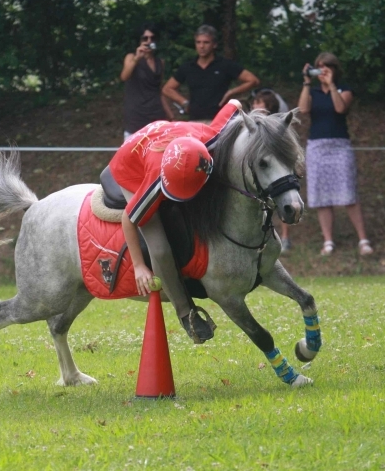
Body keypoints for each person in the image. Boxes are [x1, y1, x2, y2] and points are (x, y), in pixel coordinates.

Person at [108, 100, 242, 343]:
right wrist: (139, 266)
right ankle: (185, 312)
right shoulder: (153, 181)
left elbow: (234, 104)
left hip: (168, 136)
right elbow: (129, 218)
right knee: (159, 246)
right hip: (130, 164)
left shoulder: (211, 137)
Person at [297, 52, 373, 256]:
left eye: (326, 68)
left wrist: (331, 85)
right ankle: (328, 241)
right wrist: (306, 82)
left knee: (349, 193)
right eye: (318, 67)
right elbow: (303, 109)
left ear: (334, 69)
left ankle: (363, 239)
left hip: (340, 145)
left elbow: (341, 108)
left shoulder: (344, 89)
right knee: (322, 196)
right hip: (316, 146)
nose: (322, 71)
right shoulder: (312, 91)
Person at [162, 25, 259, 121]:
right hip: (196, 120)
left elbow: (253, 80)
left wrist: (231, 92)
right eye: (198, 42)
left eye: (206, 42)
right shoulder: (189, 67)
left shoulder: (225, 65)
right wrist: (184, 102)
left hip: (220, 120)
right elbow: (167, 89)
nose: (201, 46)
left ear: (214, 44)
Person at [249, 88, 292, 253]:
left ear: (269, 106)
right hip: (261, 177)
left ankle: (285, 238)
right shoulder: (253, 127)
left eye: (258, 102)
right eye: (254, 102)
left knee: (284, 204)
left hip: (278, 176)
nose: (254, 105)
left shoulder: (278, 127)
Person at [120, 23, 175, 141]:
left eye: (152, 38)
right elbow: (124, 77)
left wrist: (169, 113)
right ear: (139, 40)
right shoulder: (131, 57)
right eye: (145, 38)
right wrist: (137, 58)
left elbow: (158, 90)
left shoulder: (160, 62)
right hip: (137, 114)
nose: (149, 41)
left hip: (156, 113)